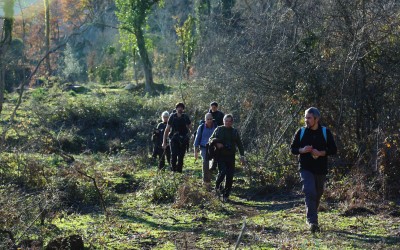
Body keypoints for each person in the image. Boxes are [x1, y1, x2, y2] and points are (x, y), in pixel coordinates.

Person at [290, 107, 337, 233]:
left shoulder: (325, 132)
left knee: (318, 193)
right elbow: (293, 149)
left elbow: (333, 150)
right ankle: (312, 222)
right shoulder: (301, 132)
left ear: (316, 119)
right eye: (305, 117)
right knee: (310, 191)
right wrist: (302, 150)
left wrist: (320, 153)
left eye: (309, 118)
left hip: (321, 169)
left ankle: (311, 214)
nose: (306, 120)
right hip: (305, 168)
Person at [209, 114, 245, 202]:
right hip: (220, 155)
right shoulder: (219, 129)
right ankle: (217, 188)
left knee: (230, 176)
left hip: (231, 156)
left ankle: (226, 195)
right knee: (222, 171)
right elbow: (210, 139)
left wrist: (242, 156)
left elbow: (239, 144)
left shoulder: (234, 131)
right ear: (223, 121)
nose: (228, 123)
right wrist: (216, 143)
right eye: (226, 121)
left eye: (230, 121)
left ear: (232, 122)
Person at [162, 102, 191, 173]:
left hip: (183, 139)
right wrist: (164, 142)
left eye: (181, 107)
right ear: (176, 108)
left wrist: (190, 137)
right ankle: (173, 171)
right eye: (178, 107)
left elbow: (191, 128)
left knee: (181, 157)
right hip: (174, 139)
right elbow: (167, 129)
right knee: (174, 155)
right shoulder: (172, 116)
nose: (180, 108)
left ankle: (179, 172)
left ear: (183, 109)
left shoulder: (185, 117)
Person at [194, 113, 217, 189]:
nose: (209, 121)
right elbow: (197, 139)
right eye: (208, 119)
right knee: (205, 163)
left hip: (213, 148)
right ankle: (206, 182)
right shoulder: (201, 127)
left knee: (212, 165)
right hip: (204, 147)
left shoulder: (216, 127)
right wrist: (195, 152)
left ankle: (209, 180)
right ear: (205, 120)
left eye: (210, 119)